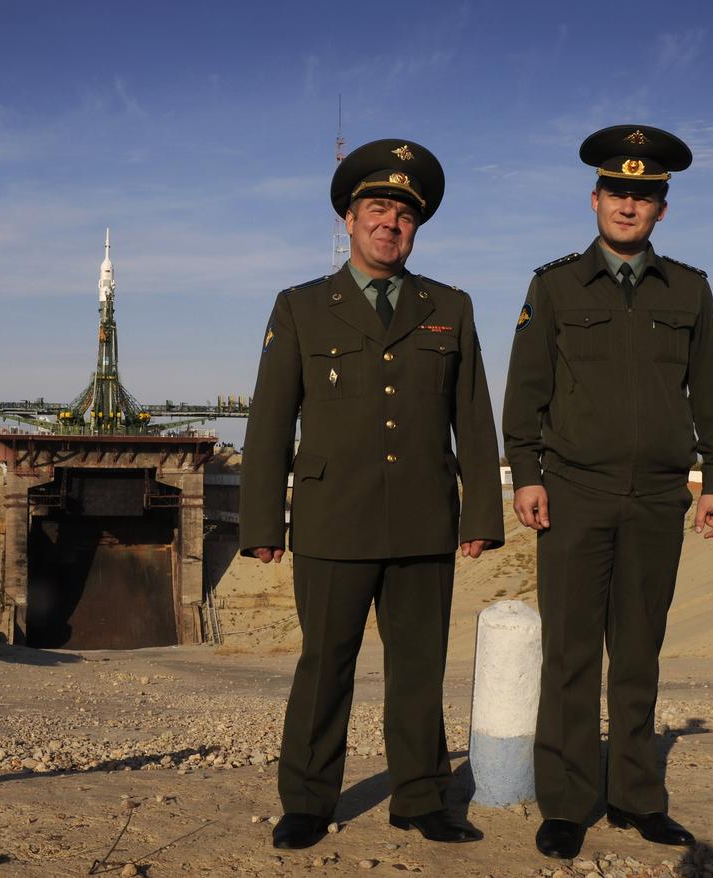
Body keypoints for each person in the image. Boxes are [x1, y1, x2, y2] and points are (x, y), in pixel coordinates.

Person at [240, 139, 505, 850]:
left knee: (418, 669)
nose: (390, 223)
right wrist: (263, 519)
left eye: (403, 215)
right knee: (326, 665)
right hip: (333, 519)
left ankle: (420, 797)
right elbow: (269, 421)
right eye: (377, 209)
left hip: (424, 518)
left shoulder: (450, 306)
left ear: (417, 228)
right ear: (349, 220)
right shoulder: (301, 307)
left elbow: (472, 417)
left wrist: (481, 511)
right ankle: (306, 799)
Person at [502, 125, 713, 859]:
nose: (629, 205)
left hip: (656, 498)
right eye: (618, 192)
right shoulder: (554, 287)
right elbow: (526, 393)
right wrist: (529, 474)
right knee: (571, 654)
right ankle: (569, 803)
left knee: (639, 652)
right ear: (595, 198)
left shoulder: (690, 291)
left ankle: (638, 797)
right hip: (573, 493)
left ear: (662, 209)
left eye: (645, 196)